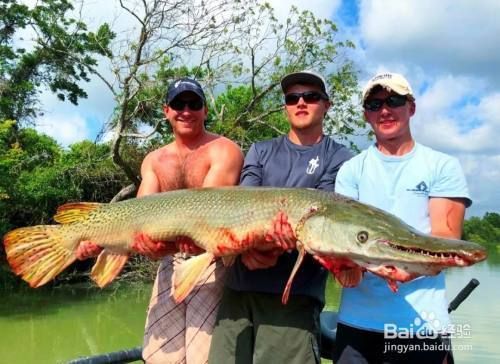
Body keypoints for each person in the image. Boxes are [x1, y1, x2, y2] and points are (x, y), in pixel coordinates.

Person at [76, 77, 244, 364]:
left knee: (203, 357)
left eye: (195, 104)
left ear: (205, 110)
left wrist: (157, 243)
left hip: (210, 262)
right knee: (159, 357)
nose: (186, 111)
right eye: (179, 104)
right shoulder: (153, 160)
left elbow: (205, 216)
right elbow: (140, 216)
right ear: (166, 110)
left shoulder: (224, 149)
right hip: (169, 264)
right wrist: (104, 241)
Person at [207, 70, 352, 364]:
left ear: (327, 105)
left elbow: (319, 228)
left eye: (311, 96)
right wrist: (251, 249)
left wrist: (265, 248)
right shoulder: (260, 150)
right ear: (285, 105)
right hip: (237, 290)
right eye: (292, 97)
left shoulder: (339, 158)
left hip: (292, 298)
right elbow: (243, 207)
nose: (301, 102)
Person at [333, 72, 471, 364]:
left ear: (412, 107)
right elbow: (341, 239)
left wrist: (413, 267)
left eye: (394, 100)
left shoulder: (442, 166)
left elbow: (446, 237)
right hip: (356, 322)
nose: (385, 110)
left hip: (422, 326)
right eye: (374, 104)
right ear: (366, 116)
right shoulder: (351, 170)